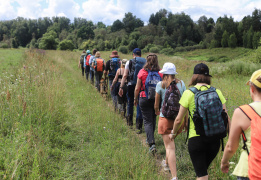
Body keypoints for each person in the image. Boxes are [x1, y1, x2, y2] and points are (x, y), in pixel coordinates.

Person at [169, 63, 230, 180]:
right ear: (208, 77)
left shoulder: (188, 93)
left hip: (196, 139)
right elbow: (225, 116)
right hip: (215, 139)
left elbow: (178, 120)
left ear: (194, 76)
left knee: (202, 175)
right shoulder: (217, 91)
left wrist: (173, 133)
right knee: (201, 171)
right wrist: (230, 136)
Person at [221, 69, 261, 180]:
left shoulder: (242, 112)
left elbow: (230, 147)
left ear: (252, 89)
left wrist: (224, 162)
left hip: (249, 170)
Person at [154, 62, 186, 179]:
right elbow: (184, 105)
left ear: (164, 74)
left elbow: (156, 105)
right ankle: (166, 163)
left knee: (169, 147)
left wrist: (157, 112)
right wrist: (185, 121)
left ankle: (174, 176)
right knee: (170, 144)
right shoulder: (182, 84)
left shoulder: (160, 85)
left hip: (165, 118)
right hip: (179, 120)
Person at [134, 53, 163, 153]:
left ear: (147, 61)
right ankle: (150, 138)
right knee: (153, 118)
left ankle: (151, 142)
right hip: (157, 99)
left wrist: (135, 98)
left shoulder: (142, 72)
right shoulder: (161, 73)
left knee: (147, 121)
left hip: (144, 98)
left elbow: (137, 88)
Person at [119, 48, 145, 132]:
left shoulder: (129, 62)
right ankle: (139, 125)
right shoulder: (145, 62)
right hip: (141, 86)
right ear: (140, 54)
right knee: (139, 104)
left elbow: (125, 75)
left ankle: (129, 122)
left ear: (133, 54)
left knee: (130, 103)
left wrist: (121, 87)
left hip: (131, 85)